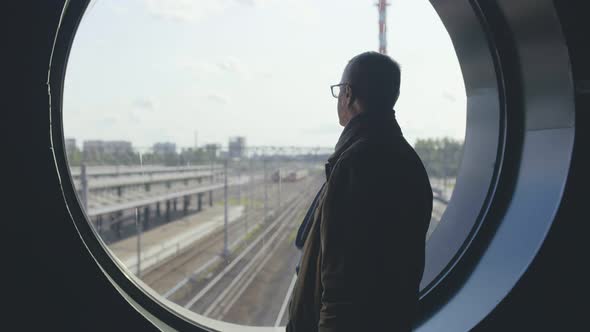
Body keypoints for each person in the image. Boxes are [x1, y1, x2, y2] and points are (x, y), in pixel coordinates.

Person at [286, 52, 433, 332]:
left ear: (348, 94)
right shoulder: (406, 158)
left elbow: (343, 291)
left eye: (339, 91)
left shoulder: (357, 163)